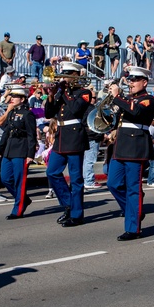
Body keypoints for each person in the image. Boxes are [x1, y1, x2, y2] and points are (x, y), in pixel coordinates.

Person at [108, 66, 154, 241]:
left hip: (136, 147)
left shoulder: (148, 100)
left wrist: (117, 96)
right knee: (113, 183)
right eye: (130, 80)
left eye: (135, 80)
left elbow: (136, 112)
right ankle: (135, 211)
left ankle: (133, 228)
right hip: (121, 145)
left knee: (133, 189)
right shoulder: (128, 99)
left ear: (144, 82)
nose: (131, 83)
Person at [45, 62, 93, 227]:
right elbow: (49, 113)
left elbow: (75, 109)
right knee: (52, 172)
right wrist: (51, 95)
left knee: (76, 179)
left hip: (74, 137)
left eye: (68, 74)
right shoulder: (61, 93)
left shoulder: (84, 93)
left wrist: (64, 91)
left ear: (76, 75)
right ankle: (68, 204)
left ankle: (77, 215)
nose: (64, 77)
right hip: (60, 137)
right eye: (63, 74)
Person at [0, 86, 37, 219]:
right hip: (9, 149)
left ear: (22, 99)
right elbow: (6, 132)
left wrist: (30, 154)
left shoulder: (27, 114)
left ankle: (17, 210)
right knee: (5, 178)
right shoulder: (11, 113)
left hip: (21, 150)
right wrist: (0, 149)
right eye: (11, 96)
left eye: (15, 97)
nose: (11, 99)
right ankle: (23, 199)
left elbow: (32, 135)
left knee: (20, 181)